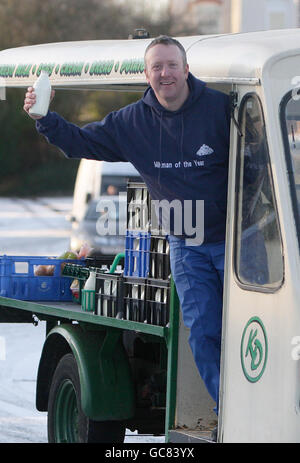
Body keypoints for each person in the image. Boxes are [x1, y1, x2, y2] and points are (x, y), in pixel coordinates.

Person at [24, 35, 230, 438]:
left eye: (172, 65)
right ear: (147, 74)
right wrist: (44, 119)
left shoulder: (222, 109)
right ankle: (230, 411)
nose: (165, 73)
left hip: (239, 243)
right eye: (157, 67)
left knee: (258, 328)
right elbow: (80, 142)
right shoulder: (132, 122)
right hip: (187, 247)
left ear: (186, 69)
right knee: (204, 332)